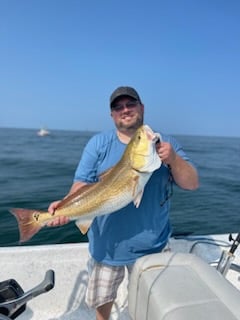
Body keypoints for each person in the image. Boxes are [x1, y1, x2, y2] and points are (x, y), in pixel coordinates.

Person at [47, 86, 199, 320]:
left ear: (142, 107)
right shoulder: (98, 144)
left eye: (130, 104)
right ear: (112, 115)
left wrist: (174, 159)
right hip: (107, 248)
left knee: (153, 306)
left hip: (153, 246)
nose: (125, 110)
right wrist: (65, 206)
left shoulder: (165, 144)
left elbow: (191, 183)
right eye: (118, 107)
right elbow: (81, 184)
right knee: (102, 306)